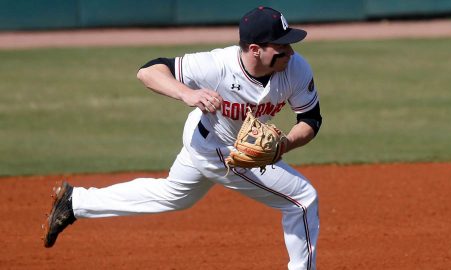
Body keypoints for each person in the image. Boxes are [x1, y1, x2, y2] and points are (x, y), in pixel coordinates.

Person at [43, 6, 323, 270]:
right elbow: (148, 71)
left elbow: (310, 119)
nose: (290, 51)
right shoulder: (216, 66)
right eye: (281, 46)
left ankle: (75, 202)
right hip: (217, 148)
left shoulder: (295, 69)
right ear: (254, 49)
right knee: (302, 198)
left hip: (215, 143)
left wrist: (284, 145)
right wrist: (188, 94)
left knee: (174, 196)